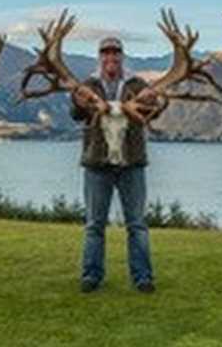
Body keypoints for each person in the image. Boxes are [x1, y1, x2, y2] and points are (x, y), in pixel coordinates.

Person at [70, 37, 157, 294]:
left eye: (115, 53)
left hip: (132, 161)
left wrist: (149, 100)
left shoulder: (137, 85)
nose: (111, 57)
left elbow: (154, 110)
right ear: (100, 57)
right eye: (106, 53)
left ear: (122, 56)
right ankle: (91, 275)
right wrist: (82, 100)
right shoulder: (88, 85)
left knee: (137, 224)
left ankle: (142, 277)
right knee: (95, 224)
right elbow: (75, 114)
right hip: (98, 161)